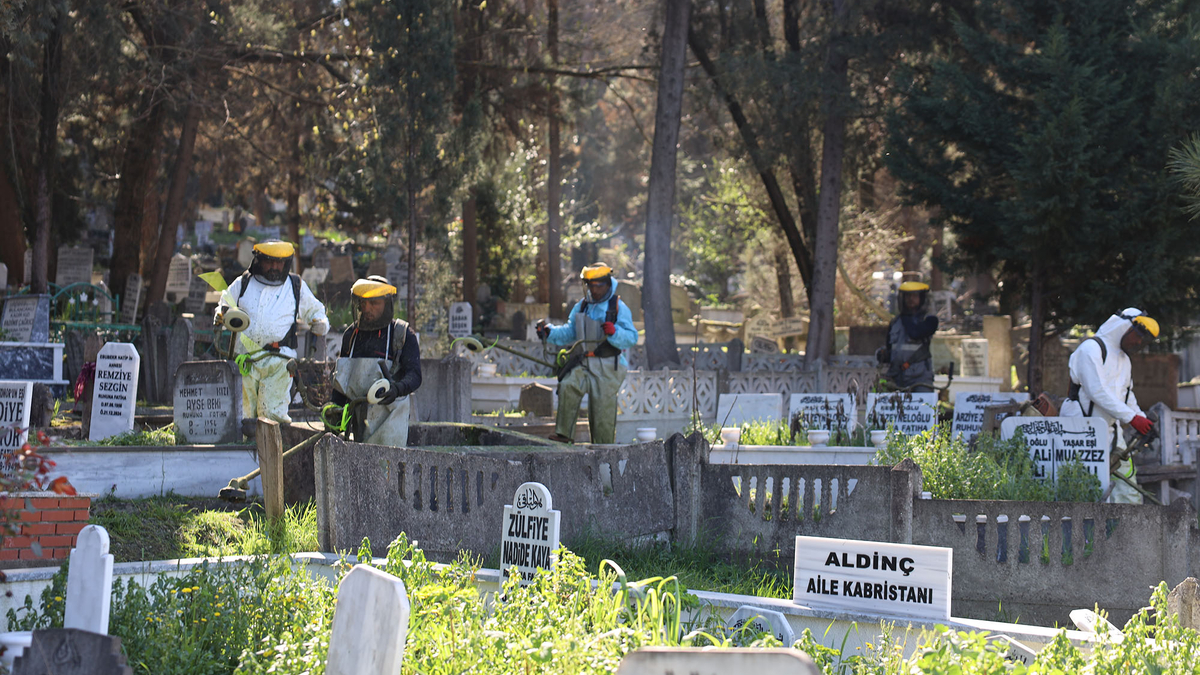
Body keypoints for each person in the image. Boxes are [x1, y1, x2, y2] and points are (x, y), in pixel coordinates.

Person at [215, 240, 329, 425]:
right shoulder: (243, 282)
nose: (275, 267)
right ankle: (245, 452)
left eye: (280, 262)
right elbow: (225, 303)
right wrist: (222, 315)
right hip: (246, 360)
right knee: (243, 416)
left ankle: (272, 452)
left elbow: (316, 312)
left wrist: (319, 323)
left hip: (279, 361)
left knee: (271, 415)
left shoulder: (295, 285)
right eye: (270, 261)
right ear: (259, 261)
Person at [1061, 308, 1159, 504]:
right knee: (1086, 496)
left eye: (1143, 340)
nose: (1138, 342)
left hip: (1112, 435)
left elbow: (1127, 397)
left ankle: (1126, 534)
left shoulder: (1125, 360)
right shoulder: (1091, 349)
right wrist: (1132, 418)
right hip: (1081, 433)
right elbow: (1096, 391)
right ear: (1123, 326)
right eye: (1138, 335)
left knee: (1128, 495)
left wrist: (1142, 420)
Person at [536, 263, 637, 444]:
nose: (595, 290)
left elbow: (632, 337)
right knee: (568, 385)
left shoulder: (618, 307)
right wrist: (549, 332)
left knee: (602, 410)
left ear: (607, 284)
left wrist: (615, 332)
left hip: (608, 366)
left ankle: (603, 449)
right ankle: (564, 434)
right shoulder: (582, 306)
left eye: (599, 285)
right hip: (584, 362)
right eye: (591, 285)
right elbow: (569, 332)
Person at [329, 276, 422, 446]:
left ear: (387, 303)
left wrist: (397, 389)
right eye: (363, 303)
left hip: (391, 419)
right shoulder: (351, 336)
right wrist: (333, 412)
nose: (367, 309)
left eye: (374, 303)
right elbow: (341, 382)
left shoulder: (401, 334)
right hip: (358, 420)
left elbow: (415, 375)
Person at [876, 281, 939, 392]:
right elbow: (890, 349)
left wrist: (907, 316)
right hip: (896, 377)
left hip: (920, 378)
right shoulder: (895, 323)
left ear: (922, 298)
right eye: (908, 296)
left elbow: (915, 333)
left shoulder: (930, 320)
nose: (910, 299)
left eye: (915, 296)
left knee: (922, 408)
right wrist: (883, 354)